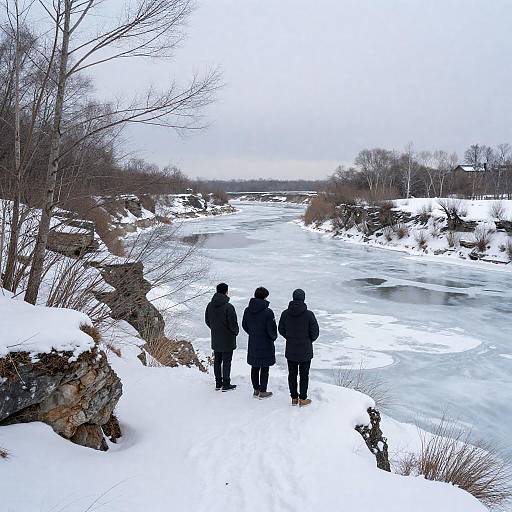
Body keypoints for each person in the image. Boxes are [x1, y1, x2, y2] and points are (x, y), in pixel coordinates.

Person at [278, 289, 319, 407]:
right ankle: (303, 398)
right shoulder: (309, 314)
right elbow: (315, 332)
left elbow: (281, 329)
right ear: (303, 299)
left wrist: (290, 338)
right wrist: (308, 340)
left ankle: (294, 398)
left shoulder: (285, 313)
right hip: (305, 350)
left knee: (292, 374)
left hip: (291, 349)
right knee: (304, 375)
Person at [242, 287, 278, 400]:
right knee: (265, 367)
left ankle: (255, 390)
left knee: (255, 366)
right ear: (265, 297)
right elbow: (272, 329)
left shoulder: (247, 310)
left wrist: (252, 333)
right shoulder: (268, 312)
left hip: (253, 342)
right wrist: (273, 337)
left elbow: (244, 325)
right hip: (266, 343)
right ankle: (263, 391)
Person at [205, 283, 239, 392]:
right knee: (227, 361)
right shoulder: (228, 307)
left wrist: (215, 329)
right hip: (228, 338)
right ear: (226, 292)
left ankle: (218, 383)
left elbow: (207, 320)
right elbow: (233, 324)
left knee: (217, 361)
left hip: (216, 337)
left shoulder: (210, 305)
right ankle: (226, 384)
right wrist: (235, 332)